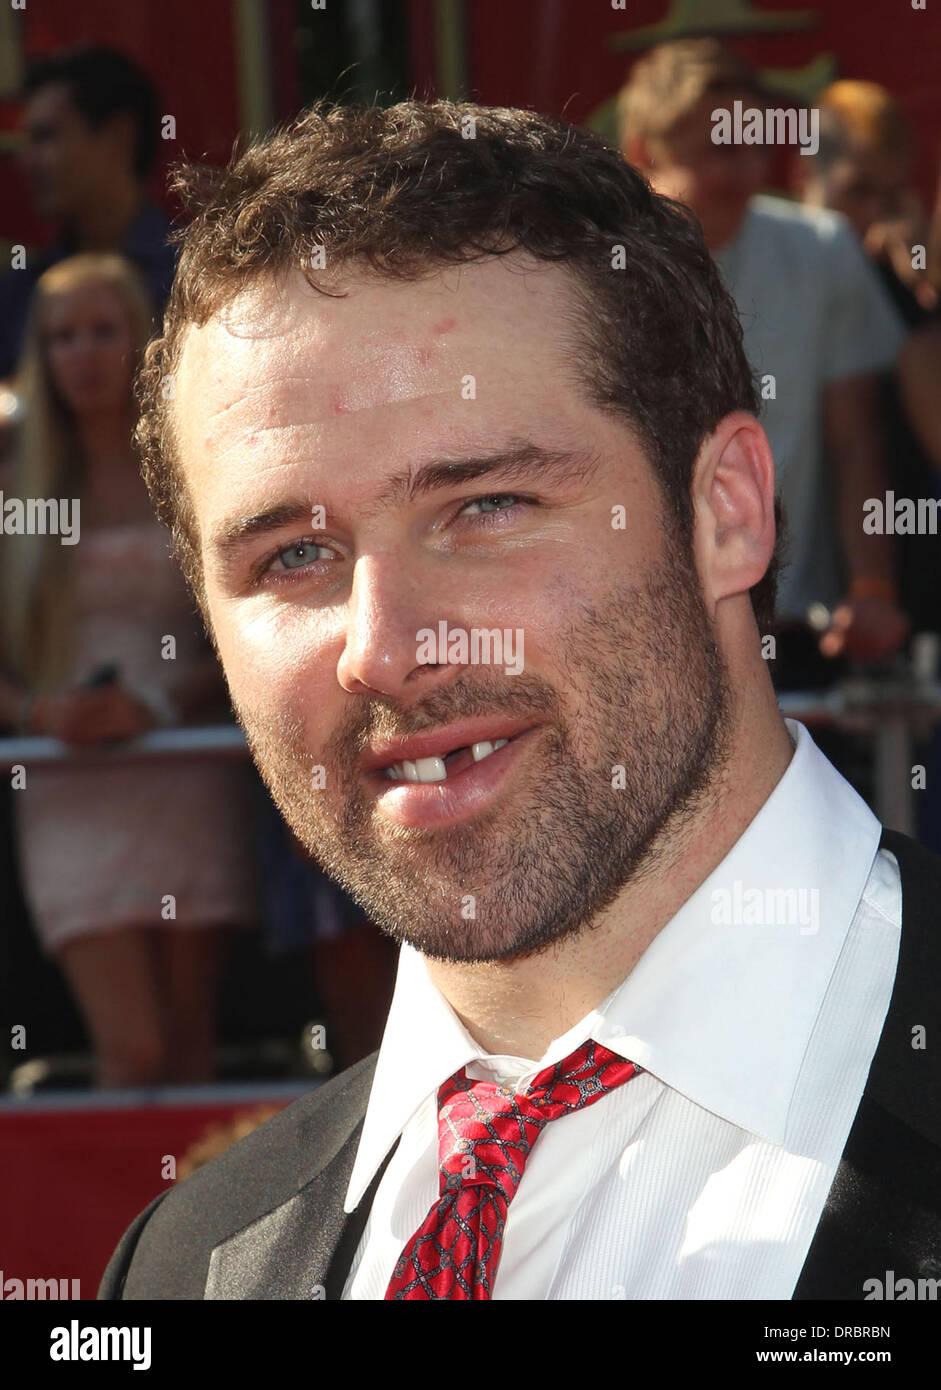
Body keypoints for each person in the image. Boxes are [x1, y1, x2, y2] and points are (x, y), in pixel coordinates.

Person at [99, 99, 940, 1300]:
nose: (384, 650)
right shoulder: (187, 1265)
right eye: (292, 554)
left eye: (483, 507)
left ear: (727, 513)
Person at [0, 253, 259, 1087]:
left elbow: (243, 628)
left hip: (182, 760)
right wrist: (40, 716)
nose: (81, 353)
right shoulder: (18, 482)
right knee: (134, 1048)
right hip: (65, 780)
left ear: (140, 340)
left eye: (102, 331)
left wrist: (154, 703)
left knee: (187, 1052)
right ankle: (124, 1223)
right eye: (61, 336)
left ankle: (189, 1220)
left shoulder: (191, 471)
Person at [619, 40, 911, 687]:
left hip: (793, 627)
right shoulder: (590, 269)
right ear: (644, 153)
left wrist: (871, 589)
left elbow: (857, 442)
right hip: (637, 635)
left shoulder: (819, 250)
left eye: (752, 149)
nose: (741, 173)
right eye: (716, 153)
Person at [0, 45, 176, 382]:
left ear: (118, 136)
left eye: (46, 137)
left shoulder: (195, 277)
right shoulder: (20, 292)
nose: (26, 161)